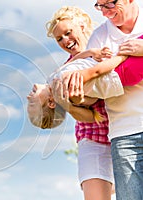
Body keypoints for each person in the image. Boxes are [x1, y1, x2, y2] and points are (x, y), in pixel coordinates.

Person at [29, 6, 115, 200]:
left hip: (123, 132)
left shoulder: (106, 45)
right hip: (94, 139)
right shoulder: (66, 71)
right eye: (59, 38)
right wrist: (68, 104)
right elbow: (89, 118)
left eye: (68, 33)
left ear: (82, 25)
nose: (65, 40)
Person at [66, 1, 143, 199]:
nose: (105, 13)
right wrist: (74, 94)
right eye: (99, 6)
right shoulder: (100, 37)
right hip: (125, 134)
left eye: (109, 4)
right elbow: (91, 92)